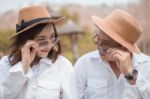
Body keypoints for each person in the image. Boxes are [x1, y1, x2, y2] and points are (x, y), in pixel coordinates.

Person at [70, 9, 150, 99]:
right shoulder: (84, 64)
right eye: (98, 39)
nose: (99, 45)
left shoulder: (147, 66)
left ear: (125, 47)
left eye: (105, 43)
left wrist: (131, 75)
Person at [0, 5, 73, 99]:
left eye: (52, 38)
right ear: (26, 41)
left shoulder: (63, 65)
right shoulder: (4, 65)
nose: (49, 45)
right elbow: (5, 95)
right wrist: (24, 65)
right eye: (42, 40)